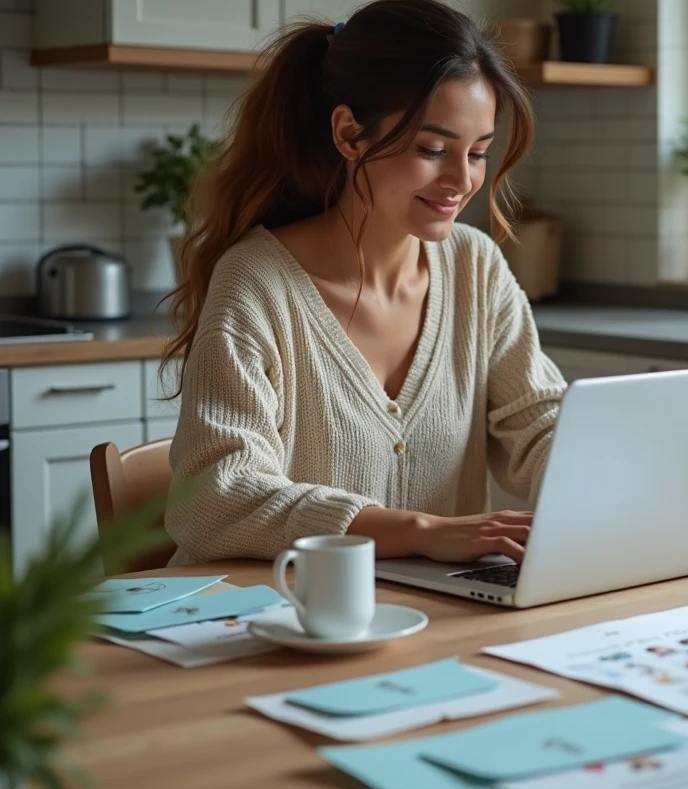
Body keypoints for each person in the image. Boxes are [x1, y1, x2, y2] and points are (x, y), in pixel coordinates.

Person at [162, 0, 564, 566]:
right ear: (350, 134)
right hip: (279, 625)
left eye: (477, 153)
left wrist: (606, 474)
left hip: (435, 624)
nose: (461, 181)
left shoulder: (476, 267)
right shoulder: (257, 283)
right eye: (432, 150)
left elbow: (538, 425)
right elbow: (213, 500)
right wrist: (420, 530)